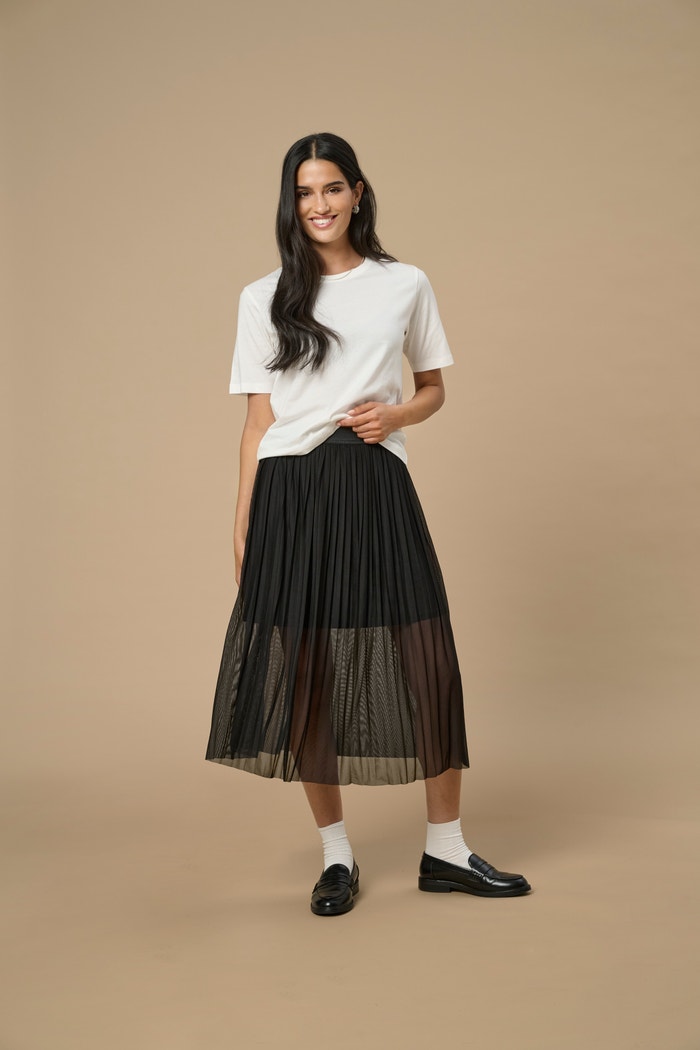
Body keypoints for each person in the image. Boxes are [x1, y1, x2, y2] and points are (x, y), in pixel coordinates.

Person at [206, 132, 531, 915]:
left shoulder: (404, 283)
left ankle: (446, 849)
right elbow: (258, 425)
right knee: (307, 672)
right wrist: (243, 526)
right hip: (290, 491)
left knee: (427, 659)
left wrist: (395, 416)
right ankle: (337, 858)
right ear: (290, 203)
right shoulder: (262, 297)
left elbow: (432, 388)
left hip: (376, 480)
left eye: (331, 188)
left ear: (357, 192)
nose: (318, 205)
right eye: (303, 192)